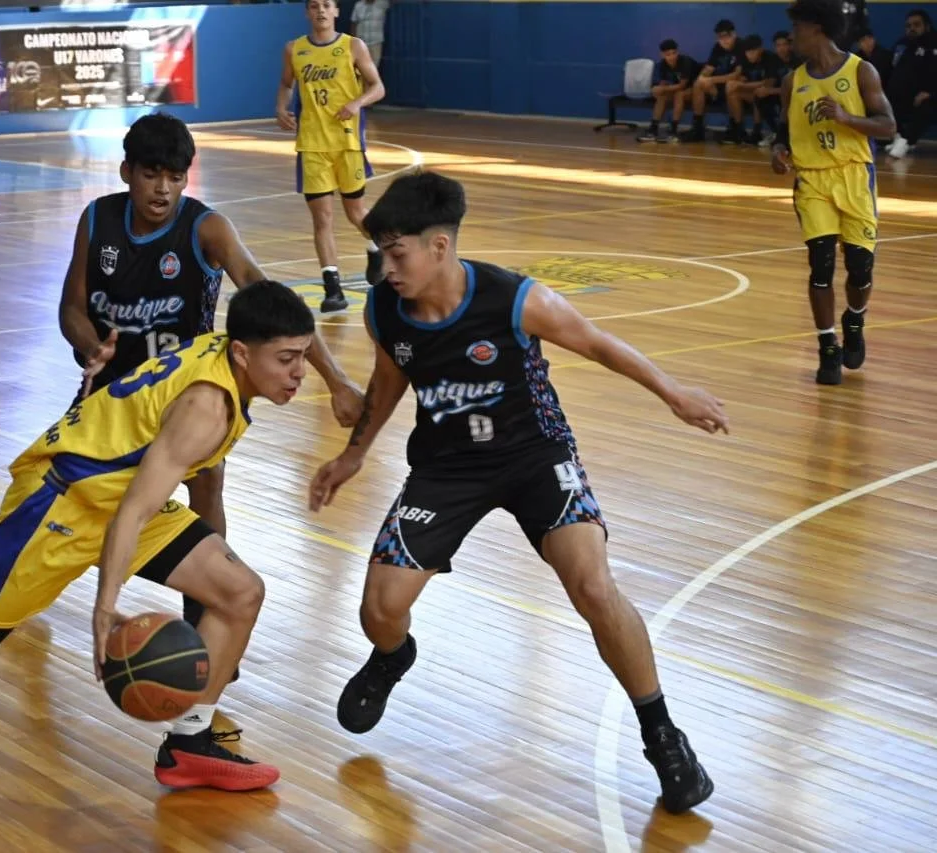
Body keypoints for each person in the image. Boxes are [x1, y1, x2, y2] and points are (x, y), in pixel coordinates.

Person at [307, 171, 728, 815]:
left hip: (536, 456)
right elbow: (390, 378)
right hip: (446, 469)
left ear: (440, 247)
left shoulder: (514, 299)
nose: (385, 269)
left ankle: (663, 738)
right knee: (378, 609)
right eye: (380, 255)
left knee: (592, 586)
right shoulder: (383, 308)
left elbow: (598, 343)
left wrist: (675, 394)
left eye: (397, 255)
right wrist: (355, 453)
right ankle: (392, 658)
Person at [0, 281, 318, 793]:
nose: (298, 373)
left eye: (304, 356)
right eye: (287, 359)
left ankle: (189, 743)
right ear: (242, 354)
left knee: (240, 592)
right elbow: (134, 514)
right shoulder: (206, 410)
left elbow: (136, 500)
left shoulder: (226, 354)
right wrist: (106, 605)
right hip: (62, 501)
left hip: (118, 492)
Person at [59, 112, 365, 647]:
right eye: (152, 174)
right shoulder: (97, 221)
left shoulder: (206, 228)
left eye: (176, 176)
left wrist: (336, 381)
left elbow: (274, 307)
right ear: (127, 170)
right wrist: (92, 348)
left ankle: (205, 618)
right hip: (113, 395)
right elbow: (71, 307)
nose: (163, 188)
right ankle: (30, 584)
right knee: (64, 495)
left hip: (183, 396)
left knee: (208, 484)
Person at [770, 0, 896, 385]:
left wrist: (846, 118)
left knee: (860, 268)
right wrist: (778, 153)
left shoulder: (862, 71)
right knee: (820, 264)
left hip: (855, 177)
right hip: (812, 181)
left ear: (817, 29)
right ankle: (827, 347)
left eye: (797, 31)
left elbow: (888, 125)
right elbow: (783, 133)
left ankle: (854, 318)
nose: (792, 39)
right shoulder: (793, 81)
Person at [277, 0, 388, 314]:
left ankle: (376, 246)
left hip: (347, 143)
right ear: (307, 13)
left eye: (327, 5)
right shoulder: (294, 49)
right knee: (322, 219)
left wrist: (357, 103)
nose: (321, 11)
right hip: (312, 145)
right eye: (314, 6)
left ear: (337, 11)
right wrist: (281, 107)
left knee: (355, 213)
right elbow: (286, 84)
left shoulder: (353, 46)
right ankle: (333, 289)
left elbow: (378, 86)